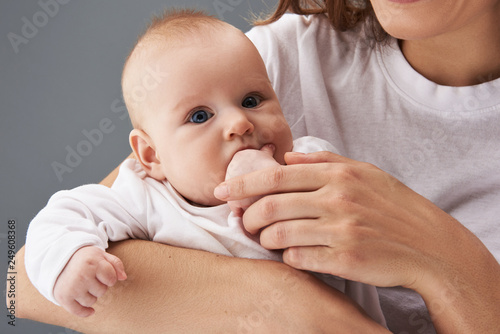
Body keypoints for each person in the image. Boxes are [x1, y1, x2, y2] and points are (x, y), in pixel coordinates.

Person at [11, 1, 500, 333]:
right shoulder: (269, 58)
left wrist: (441, 257)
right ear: (150, 156)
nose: (239, 124)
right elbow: (21, 283)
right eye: (200, 117)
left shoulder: (306, 155)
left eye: (252, 101)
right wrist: (286, 302)